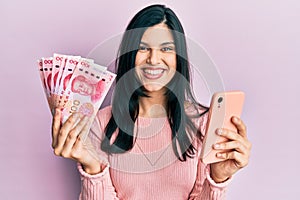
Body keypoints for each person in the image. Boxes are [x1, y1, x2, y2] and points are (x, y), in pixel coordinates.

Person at [51, 4, 251, 200]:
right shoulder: (101, 123)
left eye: (166, 48)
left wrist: (218, 178)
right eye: (143, 48)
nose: (154, 59)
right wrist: (92, 167)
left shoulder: (203, 123)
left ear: (178, 57)